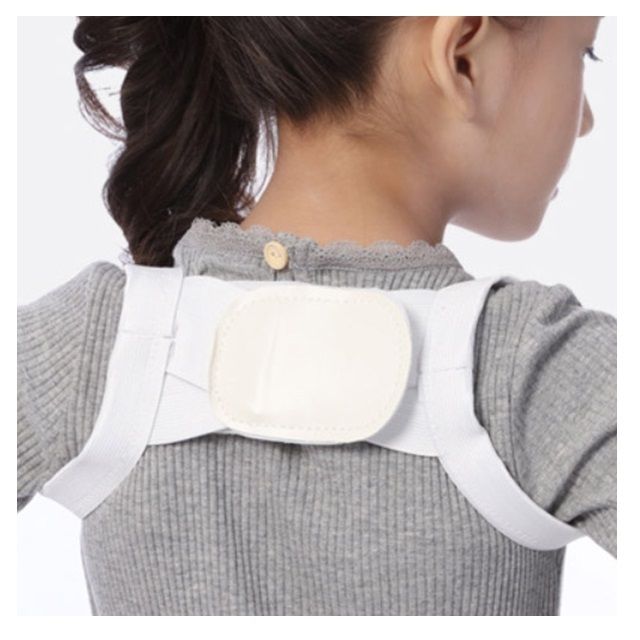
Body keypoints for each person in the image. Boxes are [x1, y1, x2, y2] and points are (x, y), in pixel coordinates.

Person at [17, 16, 615, 615]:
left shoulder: (97, 346)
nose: (587, 119)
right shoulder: (536, 370)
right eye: (583, 53)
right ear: (463, 54)